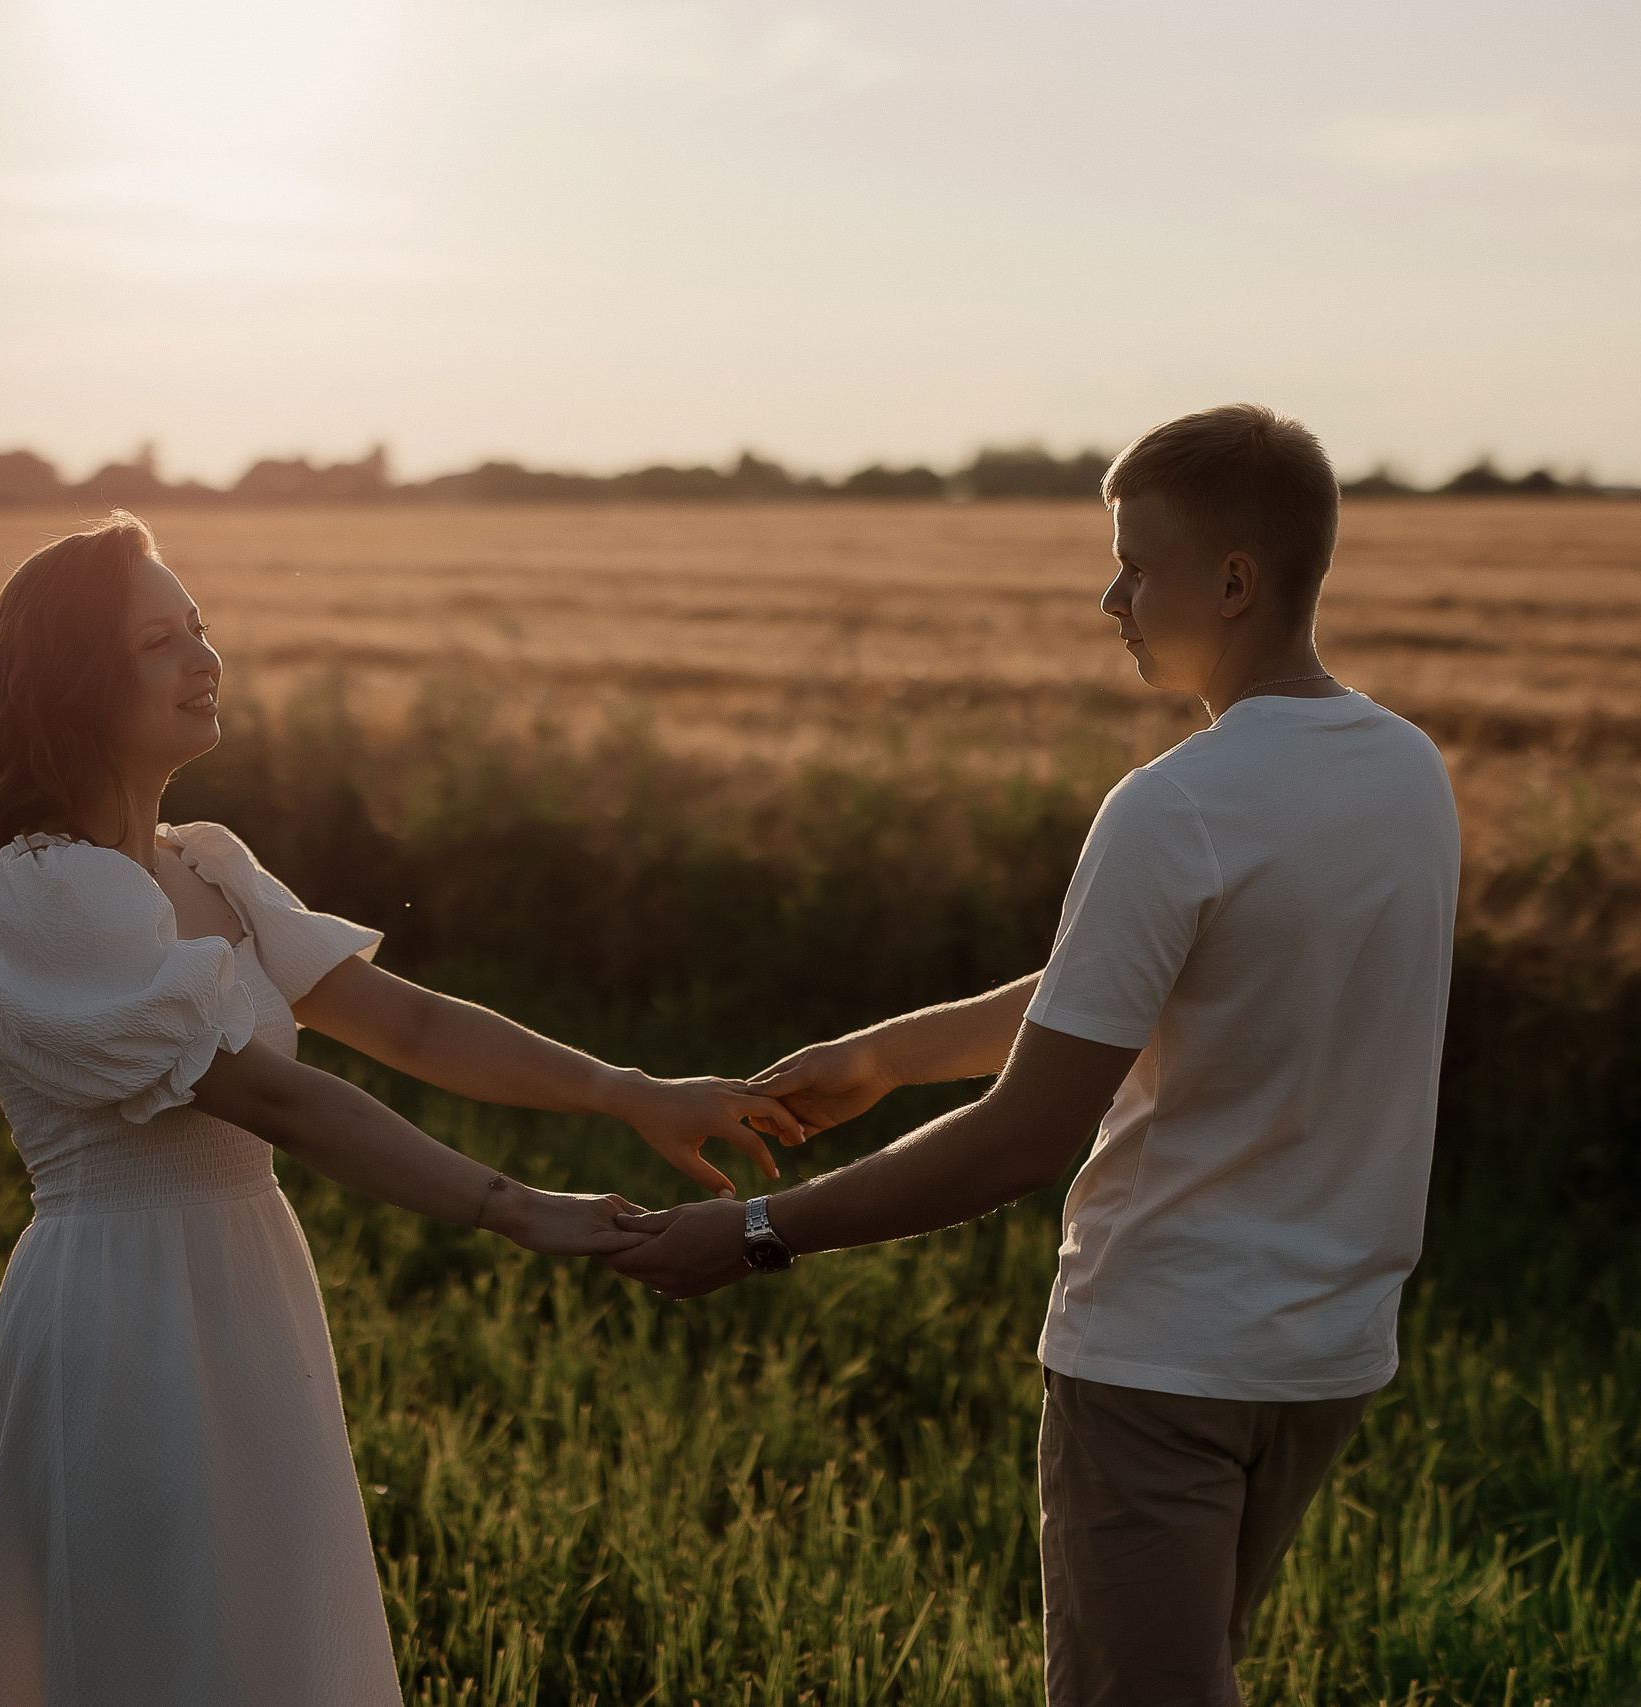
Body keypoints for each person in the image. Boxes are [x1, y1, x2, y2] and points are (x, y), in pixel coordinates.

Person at [609, 404, 1462, 1706]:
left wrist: (757, 1233)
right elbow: (1150, 977)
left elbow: (1020, 1137)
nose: (1108, 593)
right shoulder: (1407, 772)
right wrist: (890, 1052)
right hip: (1326, 1351)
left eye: (1135, 561)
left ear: (1233, 580)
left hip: (1162, 1354)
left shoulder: (1174, 803)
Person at [0, 512, 799, 1704]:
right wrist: (513, 1208)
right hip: (120, 1313)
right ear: (75, 680)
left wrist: (629, 1093)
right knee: (160, 1649)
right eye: (158, 642)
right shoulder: (43, 893)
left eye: (201, 627)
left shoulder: (209, 864)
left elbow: (406, 1023)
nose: (204, 659)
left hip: (247, 1282)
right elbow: (279, 1096)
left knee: (276, 1643)